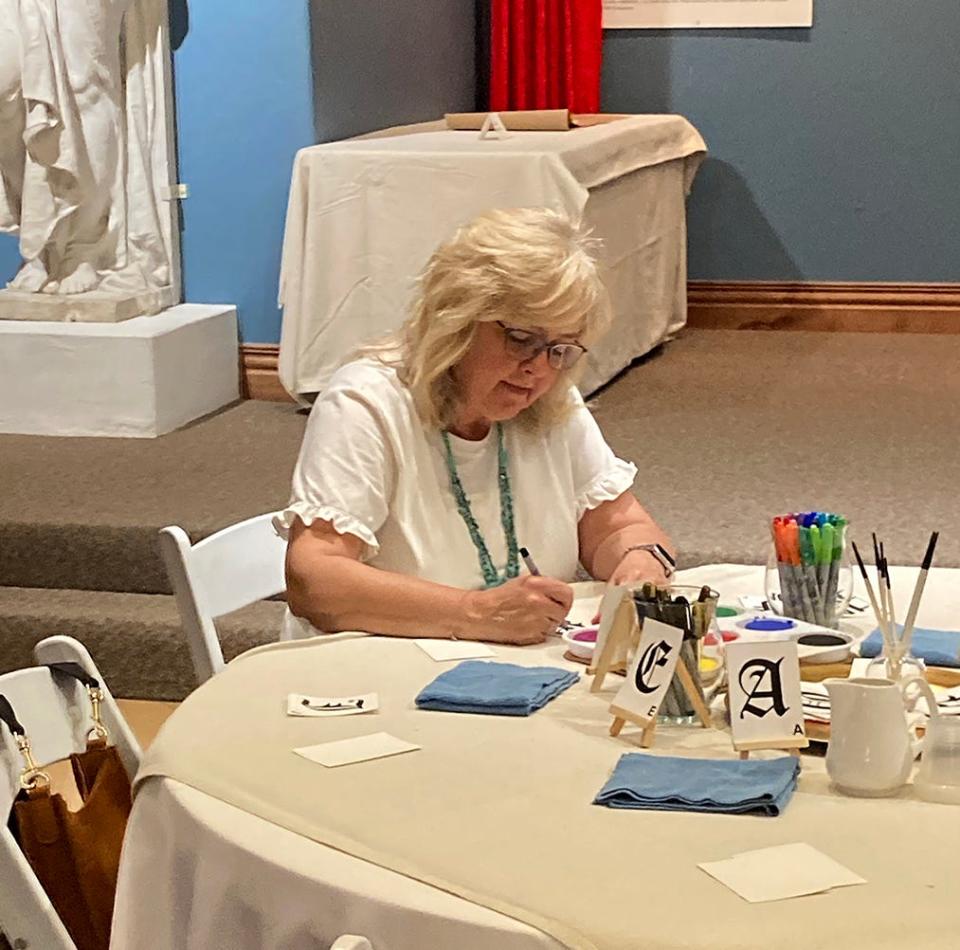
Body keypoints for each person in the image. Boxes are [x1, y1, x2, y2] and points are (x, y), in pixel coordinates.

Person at [279, 208, 674, 645]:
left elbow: (619, 528)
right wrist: (475, 613)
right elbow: (315, 580)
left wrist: (640, 566)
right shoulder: (366, 402)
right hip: (372, 676)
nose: (539, 369)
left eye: (560, 349)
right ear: (457, 320)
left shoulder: (550, 403)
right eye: (522, 339)